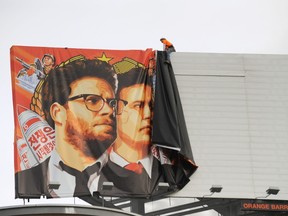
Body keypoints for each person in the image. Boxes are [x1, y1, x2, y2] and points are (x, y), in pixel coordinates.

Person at [15, 56, 126, 198]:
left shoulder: (134, 182)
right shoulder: (28, 181)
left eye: (112, 103)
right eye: (92, 100)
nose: (109, 111)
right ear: (58, 112)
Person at [100, 67, 163, 197]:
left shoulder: (168, 169)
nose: (147, 114)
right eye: (138, 106)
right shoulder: (93, 173)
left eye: (151, 107)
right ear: (115, 111)